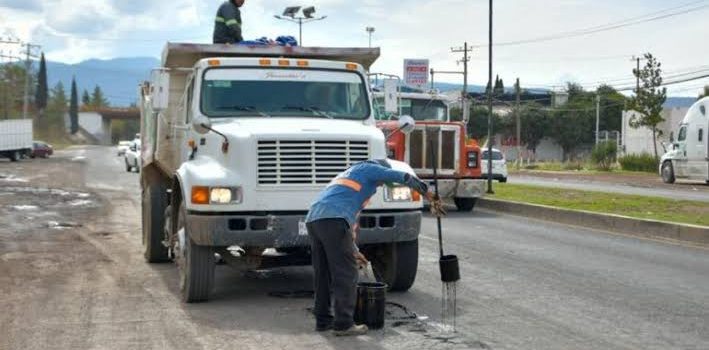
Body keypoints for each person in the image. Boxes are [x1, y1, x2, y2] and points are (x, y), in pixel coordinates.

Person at [305, 159, 439, 336]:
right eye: (382, 180)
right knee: (347, 273)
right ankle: (343, 324)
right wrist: (428, 193)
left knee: (323, 274)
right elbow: (403, 176)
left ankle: (323, 321)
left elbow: (348, 223)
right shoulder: (370, 169)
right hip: (334, 220)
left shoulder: (348, 176)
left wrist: (354, 251)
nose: (383, 183)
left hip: (314, 220)